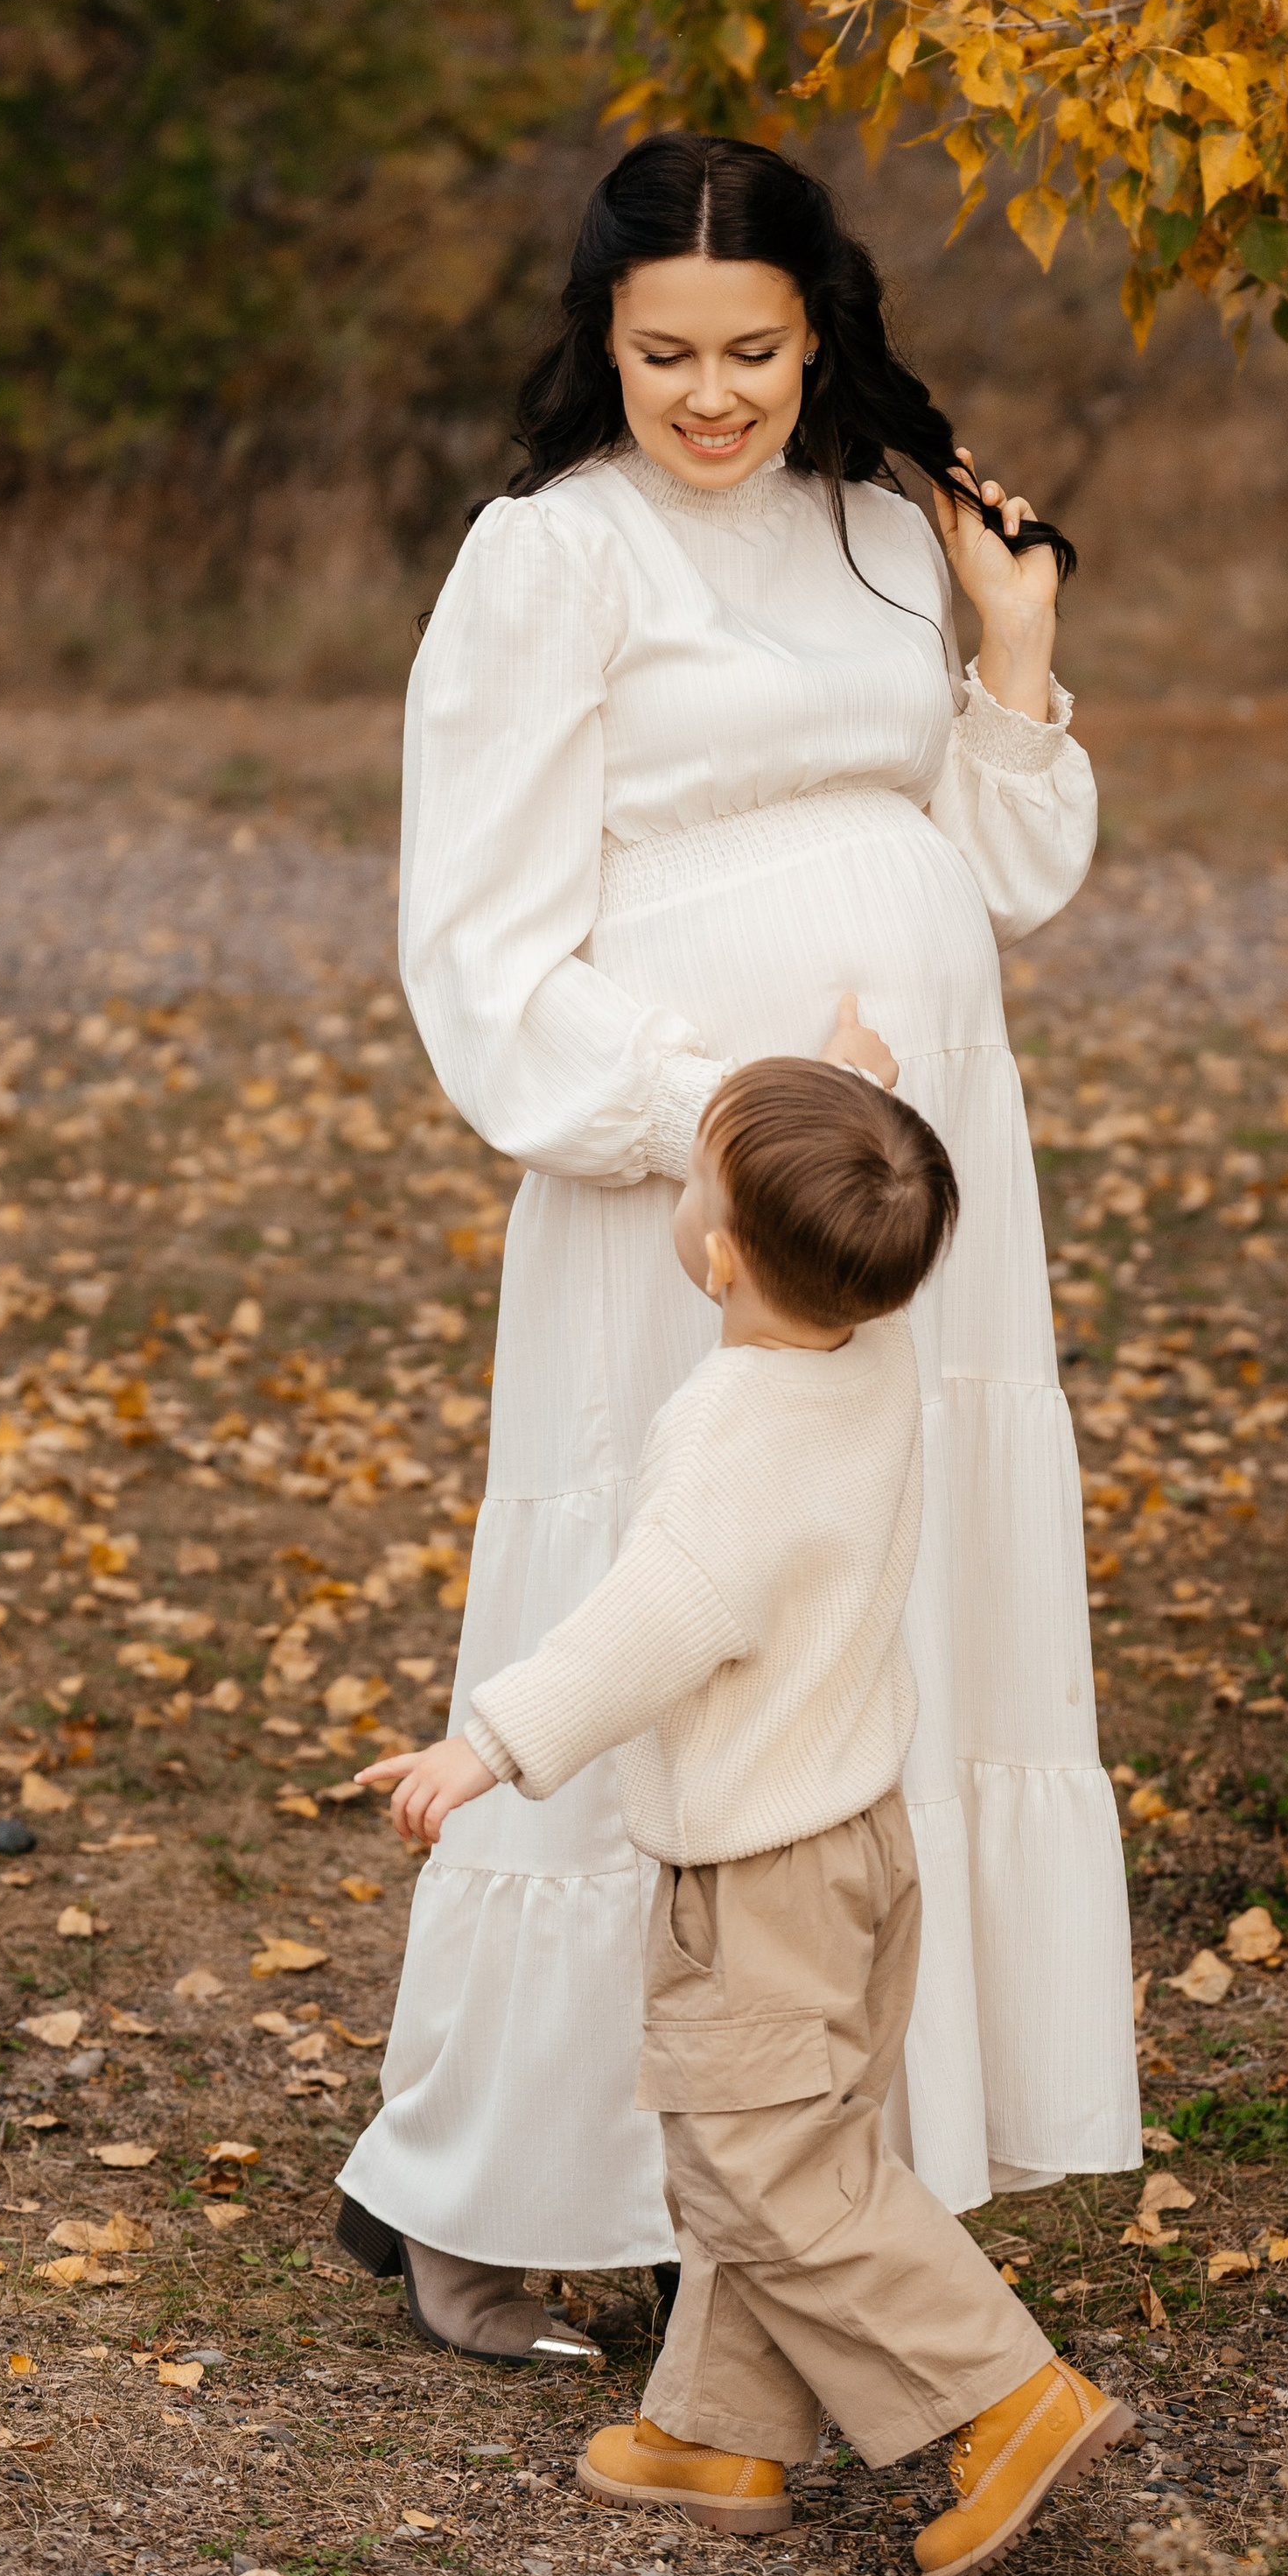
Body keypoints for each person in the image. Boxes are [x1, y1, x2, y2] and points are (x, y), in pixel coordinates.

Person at [332, 130, 1138, 2363]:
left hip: (919, 1176)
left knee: (881, 1621)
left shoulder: (883, 530)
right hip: (692, 1199)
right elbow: (479, 948)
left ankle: (834, 2149)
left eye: (753, 350)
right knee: (673, 1625)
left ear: (819, 331)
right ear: (600, 344)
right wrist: (733, 1123)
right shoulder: (547, 561)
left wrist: (1010, 647)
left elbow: (996, 869)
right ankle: (485, 2188)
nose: (710, 394)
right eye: (664, 351)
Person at [358, 1059, 1136, 2576]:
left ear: (716, 1255)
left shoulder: (727, 1422)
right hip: (859, 1848)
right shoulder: (875, 1359)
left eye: (695, 1185)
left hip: (760, 1872)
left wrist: (488, 1745)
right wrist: (864, 1079)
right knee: (771, 2149)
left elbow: (656, 1618)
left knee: (767, 2168)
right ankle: (718, 2428)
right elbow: (840, 1187)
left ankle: (1006, 2398)